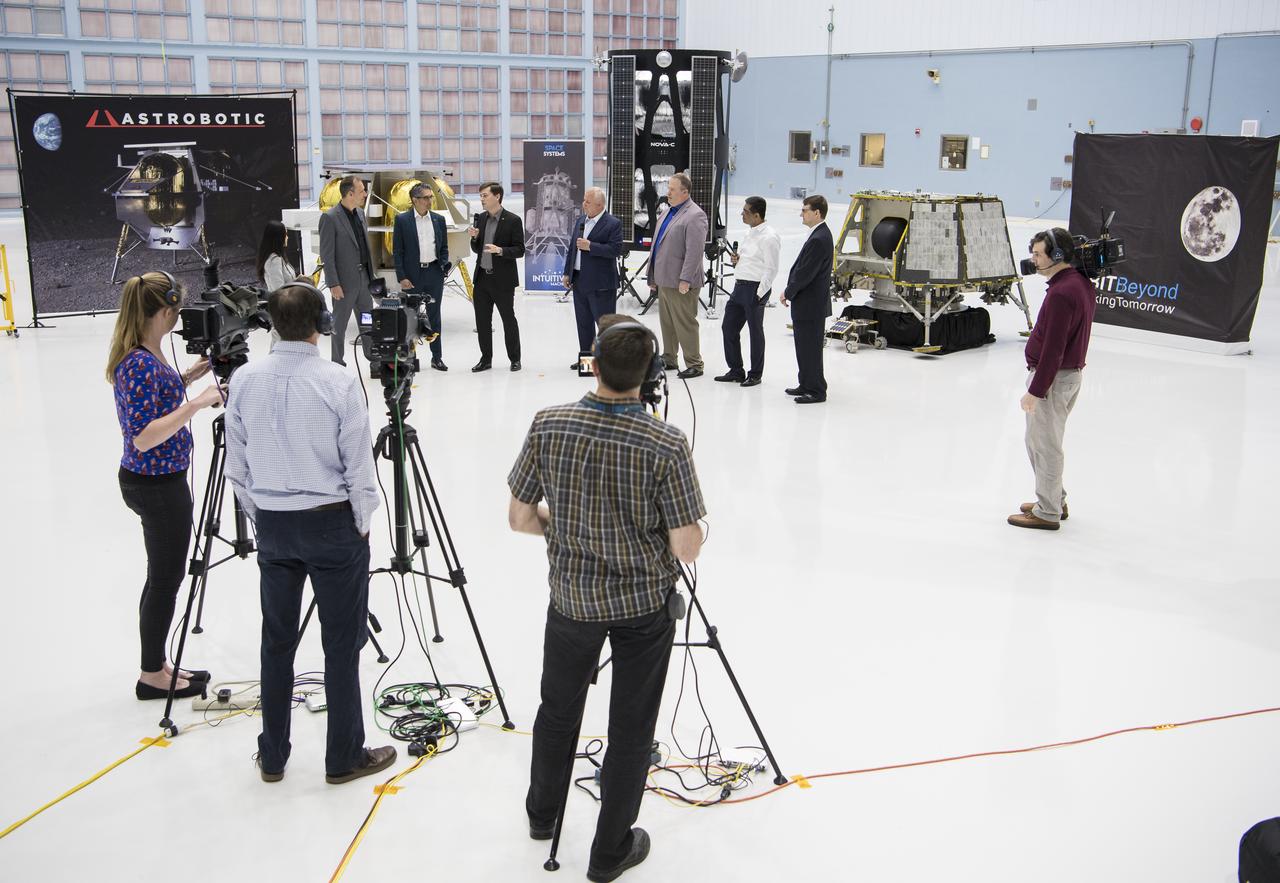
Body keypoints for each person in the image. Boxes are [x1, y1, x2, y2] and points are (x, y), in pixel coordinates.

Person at [509, 314, 705, 883]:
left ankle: (542, 816)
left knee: (557, 710)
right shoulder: (664, 441)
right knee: (630, 728)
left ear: (592, 364)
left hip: (570, 600)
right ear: (650, 376)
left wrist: (566, 529)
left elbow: (521, 519)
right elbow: (686, 548)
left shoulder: (549, 424)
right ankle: (609, 852)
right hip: (643, 608)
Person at [224, 282, 395, 784]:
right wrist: (361, 525)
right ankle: (343, 757)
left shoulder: (244, 381)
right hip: (332, 525)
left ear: (271, 324)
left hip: (274, 526)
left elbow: (238, 466)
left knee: (276, 643)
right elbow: (360, 468)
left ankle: (272, 756)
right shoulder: (339, 382)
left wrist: (263, 516)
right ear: (323, 324)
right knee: (341, 647)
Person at [107, 271, 224, 700]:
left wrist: (191, 376)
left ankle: (158, 664)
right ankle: (151, 674)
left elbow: (160, 396)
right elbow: (143, 434)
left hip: (160, 481)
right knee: (165, 580)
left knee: (163, 577)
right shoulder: (138, 362)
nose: (178, 318)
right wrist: (195, 404)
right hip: (155, 485)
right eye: (174, 311)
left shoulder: (146, 353)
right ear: (161, 312)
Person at [1008, 228, 1096, 531]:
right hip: (1065, 378)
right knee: (1038, 441)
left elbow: (1054, 351)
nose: (1032, 260)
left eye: (1038, 255)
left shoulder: (1062, 293)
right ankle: (1053, 499)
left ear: (1056, 256)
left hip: (1054, 380)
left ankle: (1047, 512)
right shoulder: (1078, 283)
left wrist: (1036, 390)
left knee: (1045, 445)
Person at [646, 173, 708, 378]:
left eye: (672, 189)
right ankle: (669, 357)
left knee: (684, 323)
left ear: (685, 192)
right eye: (668, 188)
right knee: (668, 322)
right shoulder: (668, 212)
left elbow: (694, 252)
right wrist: (653, 276)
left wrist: (686, 279)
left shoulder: (695, 215)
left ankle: (694, 363)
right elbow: (657, 246)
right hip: (664, 279)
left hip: (681, 281)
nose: (668, 193)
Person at [716, 196, 781, 387]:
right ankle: (736, 370)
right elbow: (751, 260)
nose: (742, 214)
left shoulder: (769, 237)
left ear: (757, 215)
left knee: (755, 332)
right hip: (739, 286)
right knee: (728, 327)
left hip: (755, 289)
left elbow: (771, 268)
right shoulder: (750, 232)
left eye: (745, 212)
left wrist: (760, 294)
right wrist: (738, 261)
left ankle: (755, 374)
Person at [561, 186, 624, 369]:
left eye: (587, 202)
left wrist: (591, 246)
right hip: (580, 281)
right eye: (584, 200)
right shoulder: (581, 221)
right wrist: (568, 272)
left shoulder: (613, 223)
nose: (583, 204)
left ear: (599, 204)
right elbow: (573, 247)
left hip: (601, 285)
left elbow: (615, 250)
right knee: (584, 324)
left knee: (605, 327)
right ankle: (587, 363)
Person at [781, 195, 833, 405]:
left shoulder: (819, 239)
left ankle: (816, 390)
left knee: (810, 348)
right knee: (804, 346)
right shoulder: (818, 235)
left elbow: (805, 273)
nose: (801, 214)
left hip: (811, 304)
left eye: (804, 210)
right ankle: (806, 383)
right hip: (808, 304)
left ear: (817, 213)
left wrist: (788, 292)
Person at [318, 175, 374, 366]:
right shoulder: (330, 218)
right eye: (362, 191)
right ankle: (337, 361)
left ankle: (373, 359)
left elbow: (364, 247)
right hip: (344, 284)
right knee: (339, 325)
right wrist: (333, 283)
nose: (365, 194)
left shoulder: (360, 214)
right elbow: (327, 254)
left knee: (367, 321)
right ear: (350, 193)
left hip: (364, 282)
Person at [468, 181, 524, 372]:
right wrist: (474, 238)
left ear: (497, 196)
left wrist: (500, 250)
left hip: (503, 280)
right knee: (482, 322)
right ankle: (486, 359)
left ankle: (515, 359)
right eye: (481, 196)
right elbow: (477, 249)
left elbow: (519, 250)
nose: (481, 199)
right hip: (482, 279)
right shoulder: (481, 219)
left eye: (485, 195)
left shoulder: (513, 220)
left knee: (508, 320)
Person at [393, 183, 450, 371]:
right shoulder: (402, 221)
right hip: (412, 275)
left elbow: (443, 247)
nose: (429, 201)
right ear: (415, 200)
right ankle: (411, 357)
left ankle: (437, 357)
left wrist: (442, 266)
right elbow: (398, 251)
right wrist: (401, 276)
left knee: (435, 315)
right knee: (411, 316)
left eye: (430, 197)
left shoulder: (438, 220)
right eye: (425, 198)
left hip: (433, 272)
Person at [258, 219, 298, 351]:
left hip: (285, 310)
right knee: (279, 346)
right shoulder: (273, 261)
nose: (287, 237)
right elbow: (279, 290)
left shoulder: (278, 257)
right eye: (285, 234)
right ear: (278, 237)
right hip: (282, 311)